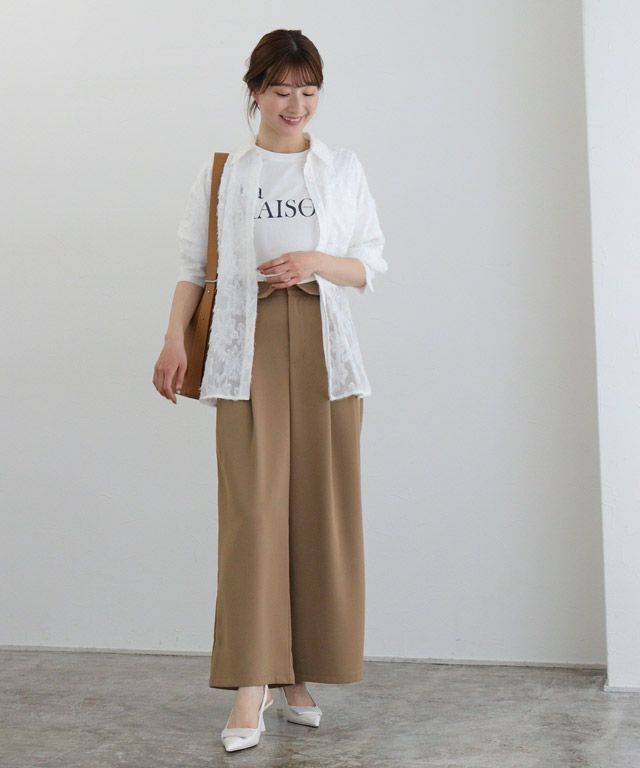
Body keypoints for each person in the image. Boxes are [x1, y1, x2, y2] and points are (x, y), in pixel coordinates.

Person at [152, 28, 388, 753]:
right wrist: (172, 340)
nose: (296, 104)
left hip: (325, 351)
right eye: (282, 90)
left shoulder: (341, 168)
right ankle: (251, 684)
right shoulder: (225, 173)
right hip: (242, 347)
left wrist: (316, 260)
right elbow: (193, 266)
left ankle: (297, 675)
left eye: (309, 91)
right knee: (253, 516)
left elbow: (370, 264)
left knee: (319, 515)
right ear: (255, 91)